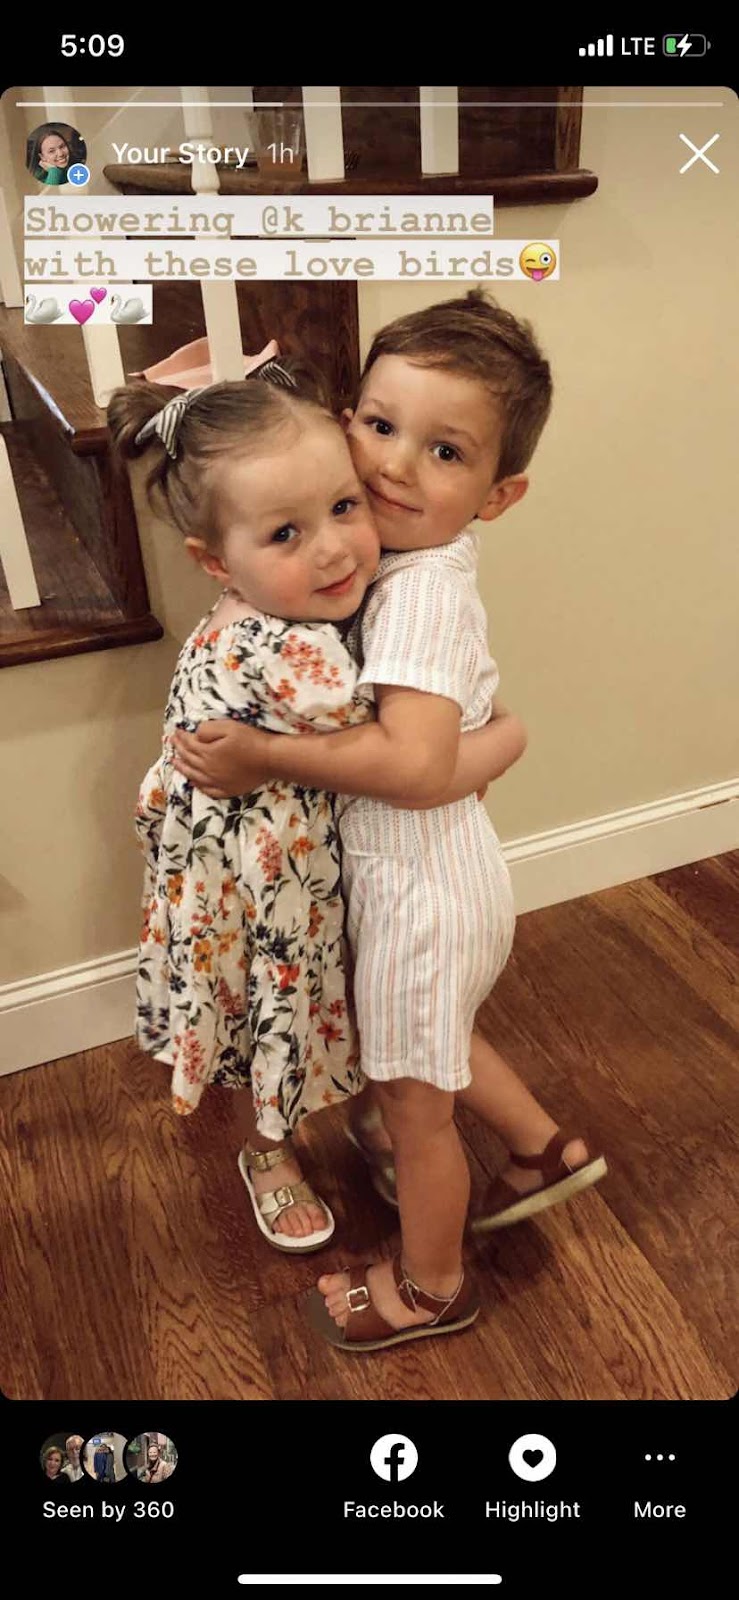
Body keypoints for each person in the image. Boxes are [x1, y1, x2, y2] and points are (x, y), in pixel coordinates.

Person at [174, 293, 607, 1350]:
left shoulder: (416, 594)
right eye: (379, 425)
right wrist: (502, 738)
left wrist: (263, 755)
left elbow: (413, 765)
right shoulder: (388, 561)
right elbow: (444, 744)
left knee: (416, 1105)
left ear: (497, 495)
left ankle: (431, 1285)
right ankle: (540, 1149)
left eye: (444, 451)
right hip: (431, 879)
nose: (395, 467)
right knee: (434, 1038)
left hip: (420, 893)